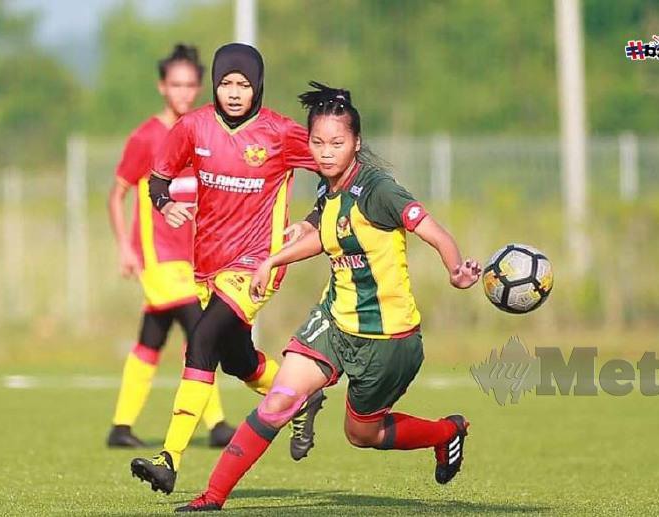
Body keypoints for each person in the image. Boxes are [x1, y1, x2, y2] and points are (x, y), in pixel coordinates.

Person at [175, 82, 480, 512]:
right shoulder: (326, 187)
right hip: (334, 322)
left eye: (337, 142)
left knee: (362, 435)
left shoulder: (378, 190)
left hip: (387, 340)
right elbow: (321, 236)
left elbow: (431, 229)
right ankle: (211, 497)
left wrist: (455, 268)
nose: (325, 152)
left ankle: (446, 433)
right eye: (317, 142)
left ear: (356, 143)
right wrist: (271, 260)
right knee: (280, 400)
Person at [130, 43, 326, 495]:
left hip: (258, 265)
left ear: (257, 86)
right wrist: (165, 203)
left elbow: (334, 170)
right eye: (225, 83)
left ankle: (169, 457)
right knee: (238, 360)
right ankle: (302, 397)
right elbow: (157, 176)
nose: (234, 92)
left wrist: (313, 222)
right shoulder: (193, 126)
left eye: (243, 84)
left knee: (199, 341)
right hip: (208, 267)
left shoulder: (280, 132)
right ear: (215, 86)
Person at [106, 44, 235, 449]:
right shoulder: (147, 137)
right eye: (175, 84)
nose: (183, 92)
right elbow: (117, 194)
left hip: (194, 259)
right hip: (159, 257)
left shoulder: (202, 133)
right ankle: (216, 424)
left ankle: (120, 427)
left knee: (151, 337)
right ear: (162, 87)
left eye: (190, 85)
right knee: (200, 329)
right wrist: (124, 249)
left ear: (199, 88)